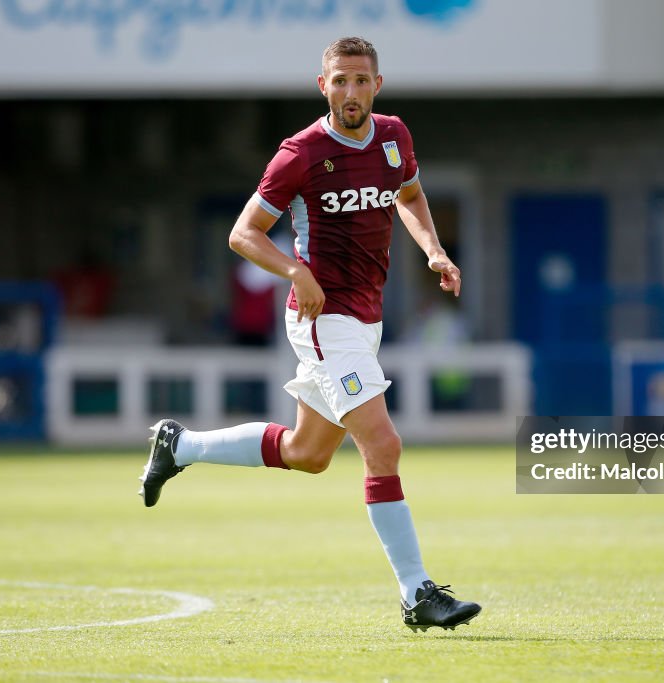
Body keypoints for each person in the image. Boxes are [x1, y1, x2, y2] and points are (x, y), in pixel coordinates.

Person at [138, 36, 481, 632]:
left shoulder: (395, 137)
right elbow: (244, 234)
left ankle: (180, 446)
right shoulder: (300, 153)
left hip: (364, 321)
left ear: (378, 84)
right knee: (384, 444)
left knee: (309, 454)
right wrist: (296, 270)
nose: (351, 91)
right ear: (321, 86)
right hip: (323, 318)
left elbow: (412, 195)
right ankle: (417, 592)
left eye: (361, 80)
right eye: (340, 80)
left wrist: (434, 251)